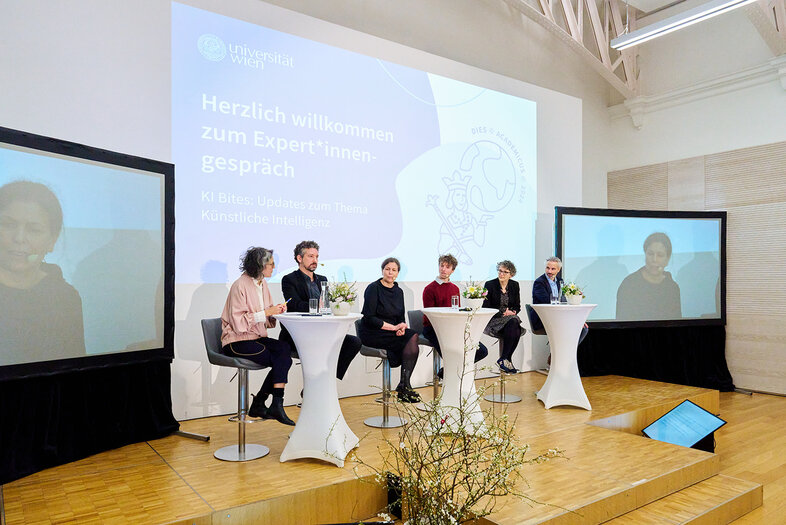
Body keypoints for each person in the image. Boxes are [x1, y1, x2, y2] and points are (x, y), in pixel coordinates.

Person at [0, 180, 85, 365]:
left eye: (34, 229)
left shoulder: (65, 298)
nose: (19, 238)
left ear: (52, 241)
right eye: (8, 225)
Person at [220, 247, 295, 426]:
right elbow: (238, 323)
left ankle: (264, 402)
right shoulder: (240, 285)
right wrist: (267, 311)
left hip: (254, 337)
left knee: (284, 349)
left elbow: (265, 319)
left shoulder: (262, 284)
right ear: (259, 266)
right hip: (236, 341)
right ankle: (271, 403)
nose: (274, 267)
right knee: (281, 360)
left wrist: (275, 311)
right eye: (270, 264)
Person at [280, 240, 361, 381]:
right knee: (319, 349)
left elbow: (327, 306)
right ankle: (321, 382)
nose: (315, 260)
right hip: (300, 333)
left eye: (317, 257)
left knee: (353, 342)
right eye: (310, 256)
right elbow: (295, 305)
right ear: (299, 258)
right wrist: (318, 306)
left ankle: (326, 380)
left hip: (323, 331)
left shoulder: (322, 279)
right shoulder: (289, 279)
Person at [358, 257, 422, 403]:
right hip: (373, 331)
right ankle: (404, 387)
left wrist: (402, 327)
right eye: (387, 269)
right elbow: (369, 317)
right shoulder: (373, 288)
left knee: (412, 335)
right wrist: (393, 328)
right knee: (410, 339)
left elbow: (400, 316)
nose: (390, 272)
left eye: (393, 270)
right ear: (382, 270)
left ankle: (404, 384)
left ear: (398, 273)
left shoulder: (399, 291)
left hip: (391, 331)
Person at [421, 253, 488, 378]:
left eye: (447, 267)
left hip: (453, 328)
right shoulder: (429, 289)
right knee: (453, 357)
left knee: (482, 351)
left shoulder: (455, 288)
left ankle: (446, 371)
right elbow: (429, 316)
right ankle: (451, 373)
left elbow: (455, 310)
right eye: (442, 266)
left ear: (452, 270)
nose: (443, 269)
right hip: (434, 329)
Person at [616, 232, 682, 321]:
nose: (654, 259)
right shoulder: (629, 284)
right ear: (645, 254)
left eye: (660, 255)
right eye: (650, 254)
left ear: (667, 259)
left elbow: (676, 322)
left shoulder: (672, 288)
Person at [532, 256, 588, 344]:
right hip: (544, 319)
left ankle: (567, 352)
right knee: (567, 327)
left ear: (558, 269)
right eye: (547, 268)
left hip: (558, 317)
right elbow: (547, 302)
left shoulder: (560, 281)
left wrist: (576, 319)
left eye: (553, 269)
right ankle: (558, 354)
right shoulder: (539, 282)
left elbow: (564, 301)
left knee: (583, 329)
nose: (549, 271)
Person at [482, 260, 524, 374]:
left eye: (505, 272)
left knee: (514, 322)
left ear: (511, 275)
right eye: (500, 271)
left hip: (510, 318)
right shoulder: (490, 285)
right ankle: (506, 359)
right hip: (494, 319)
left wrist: (513, 311)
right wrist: (502, 312)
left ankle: (504, 358)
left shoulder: (515, 285)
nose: (501, 274)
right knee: (515, 324)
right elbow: (486, 306)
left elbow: (517, 305)